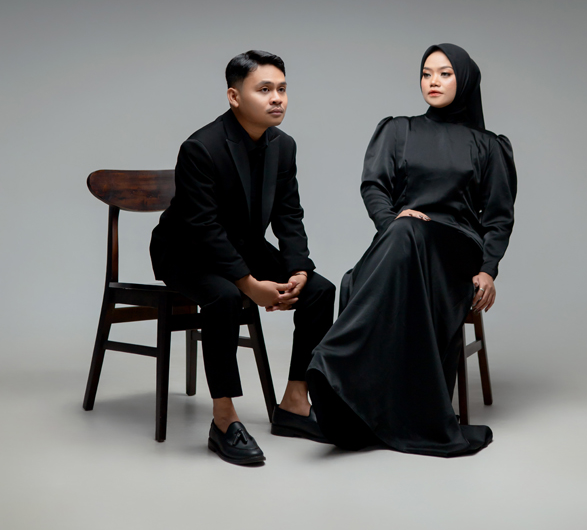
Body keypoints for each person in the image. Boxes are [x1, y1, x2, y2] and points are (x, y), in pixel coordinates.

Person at [307, 43, 516, 457]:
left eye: (444, 73)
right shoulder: (398, 130)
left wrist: (488, 269)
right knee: (397, 239)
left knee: (382, 256)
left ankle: (335, 362)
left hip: (455, 249)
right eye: (426, 73)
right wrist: (393, 223)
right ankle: (355, 400)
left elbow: (498, 216)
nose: (433, 81)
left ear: (464, 80)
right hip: (400, 240)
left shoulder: (489, 146)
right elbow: (374, 186)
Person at [150, 50, 335, 465]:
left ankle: (294, 404)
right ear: (234, 97)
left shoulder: (283, 146)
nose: (277, 98)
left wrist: (298, 268)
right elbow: (203, 227)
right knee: (225, 296)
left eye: (282, 89)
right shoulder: (201, 147)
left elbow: (289, 215)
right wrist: (249, 283)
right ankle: (223, 420)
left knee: (320, 291)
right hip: (185, 249)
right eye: (264, 89)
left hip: (242, 245)